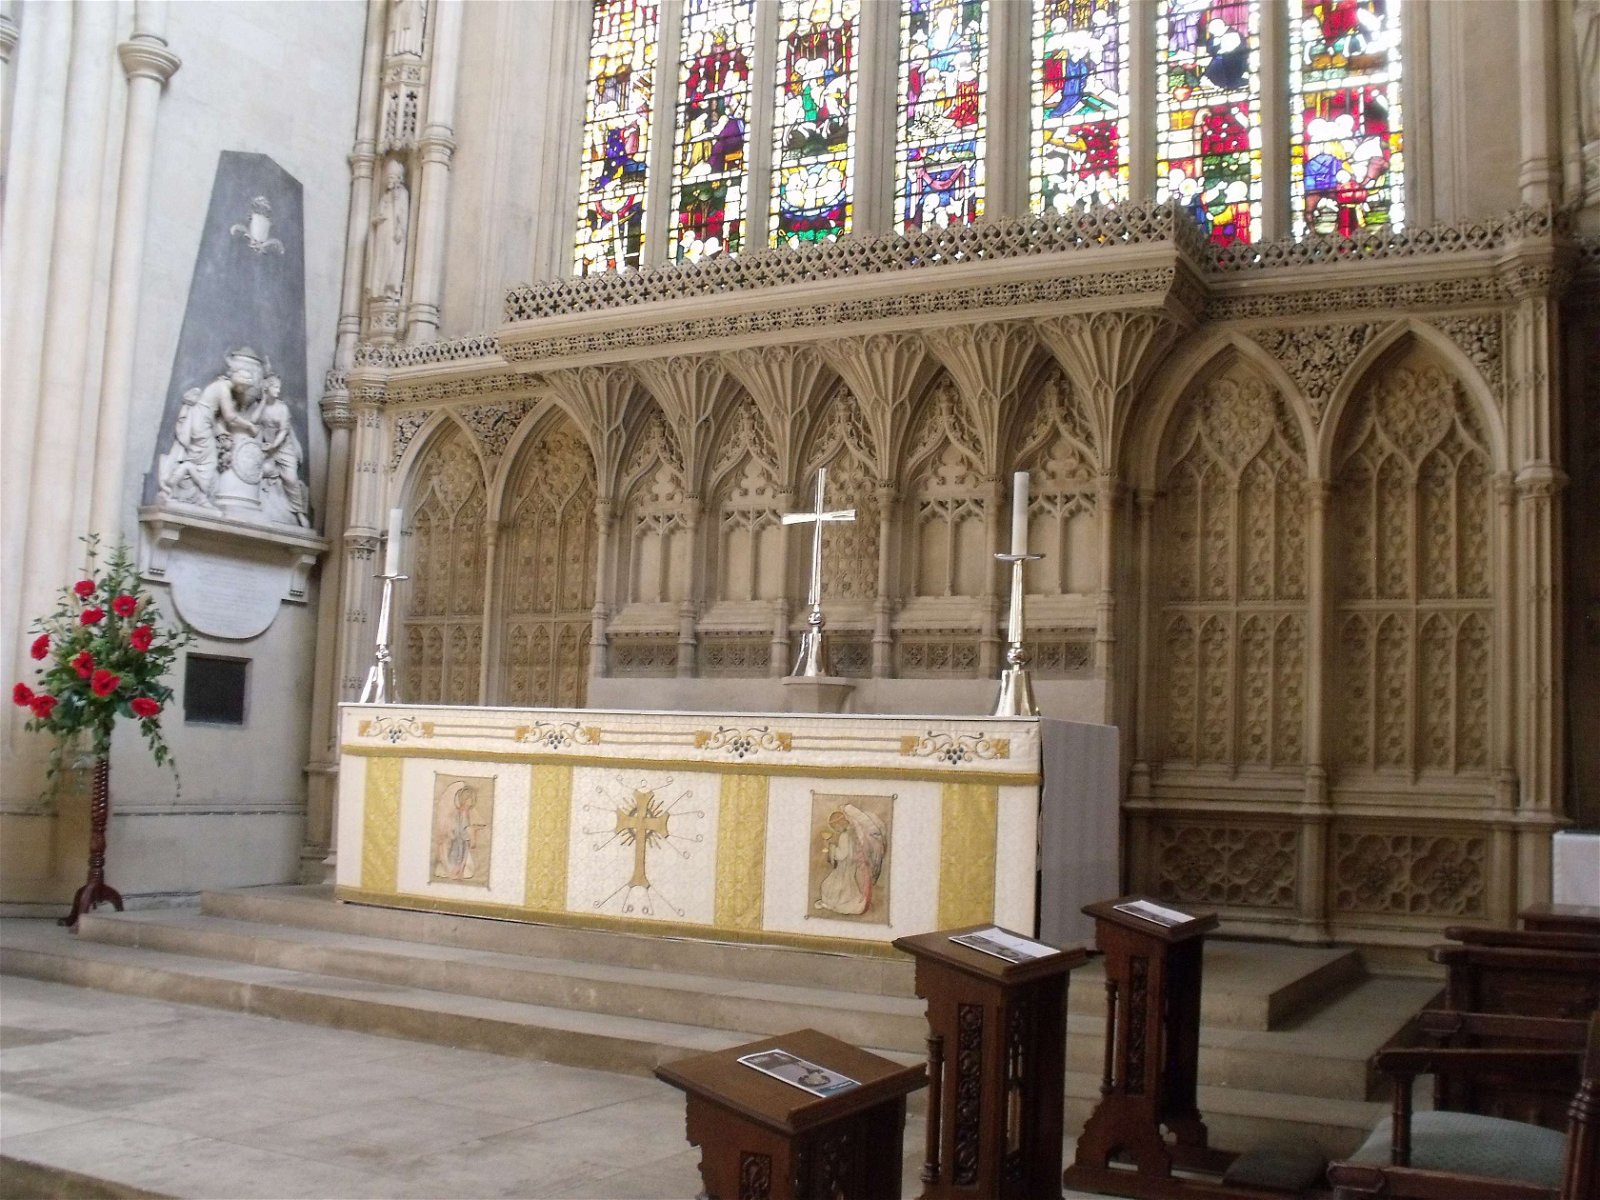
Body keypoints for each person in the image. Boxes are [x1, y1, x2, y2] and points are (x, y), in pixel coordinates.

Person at [254, 374, 309, 526]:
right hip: (266, 447)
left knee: (291, 479)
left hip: (283, 448)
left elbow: (283, 431)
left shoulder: (282, 408)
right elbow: (254, 421)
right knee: (258, 470)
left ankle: (299, 512)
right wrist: (263, 400)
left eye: (279, 387)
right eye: (275, 387)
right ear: (267, 388)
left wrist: (273, 446)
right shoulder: (260, 406)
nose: (278, 390)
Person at [815, 803, 887, 916]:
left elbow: (841, 855)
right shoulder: (853, 832)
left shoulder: (844, 836)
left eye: (835, 827)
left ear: (839, 823)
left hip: (844, 867)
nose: (836, 830)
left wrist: (830, 847)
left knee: (830, 885)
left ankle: (832, 903)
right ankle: (840, 902)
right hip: (850, 866)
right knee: (847, 886)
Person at [368, 159, 410, 300]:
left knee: (391, 256)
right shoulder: (385, 195)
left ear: (399, 178)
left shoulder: (402, 193)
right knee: (380, 257)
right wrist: (377, 219)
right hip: (383, 230)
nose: (389, 180)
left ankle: (390, 288)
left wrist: (399, 229)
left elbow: (402, 213)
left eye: (392, 177)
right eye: (388, 177)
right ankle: (378, 289)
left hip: (393, 230)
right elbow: (379, 212)